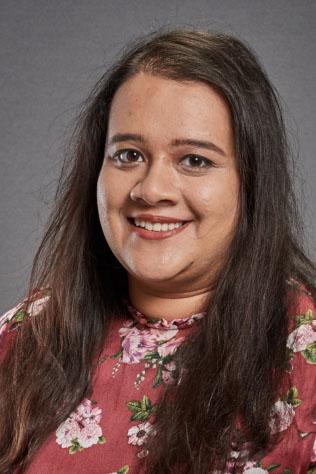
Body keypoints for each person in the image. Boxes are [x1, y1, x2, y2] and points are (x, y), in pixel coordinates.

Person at [0, 28, 315, 474]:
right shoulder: (21, 341)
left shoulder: (305, 357)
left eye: (195, 160)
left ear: (252, 183)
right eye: (128, 155)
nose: (152, 190)